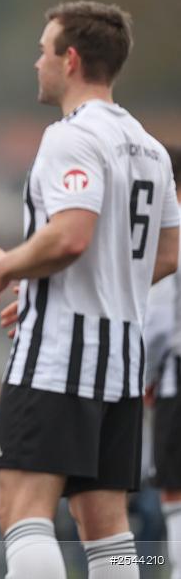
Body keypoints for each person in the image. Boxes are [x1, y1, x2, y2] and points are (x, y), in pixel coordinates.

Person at [0, 1, 180, 579]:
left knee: (21, 506)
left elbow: (70, 235)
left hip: (63, 351)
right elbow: (166, 255)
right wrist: (49, 288)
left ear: (70, 59)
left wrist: (8, 268)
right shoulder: (150, 147)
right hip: (122, 355)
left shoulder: (71, 137)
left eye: (43, 51)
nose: (37, 62)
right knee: (105, 520)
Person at [146, 145, 181, 579]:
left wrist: (145, 375)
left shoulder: (171, 236)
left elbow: (158, 318)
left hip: (176, 378)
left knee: (175, 490)